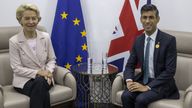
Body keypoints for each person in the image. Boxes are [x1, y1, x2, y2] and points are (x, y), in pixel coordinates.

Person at [121, 4, 179, 108]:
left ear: (158, 19)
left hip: (162, 84)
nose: (147, 21)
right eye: (145, 17)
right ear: (141, 19)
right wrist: (129, 81)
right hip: (143, 80)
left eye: (151, 17)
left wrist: (147, 87)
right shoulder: (138, 40)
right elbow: (130, 65)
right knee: (126, 96)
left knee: (141, 99)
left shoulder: (169, 40)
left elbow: (170, 71)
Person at [9, 3, 56, 108]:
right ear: (20, 20)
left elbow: (52, 59)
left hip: (45, 77)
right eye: (27, 18)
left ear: (38, 20)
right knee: (40, 85)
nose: (31, 22)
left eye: (34, 18)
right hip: (23, 81)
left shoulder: (45, 37)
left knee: (40, 84)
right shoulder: (14, 41)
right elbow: (16, 68)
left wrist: (48, 72)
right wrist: (39, 72)